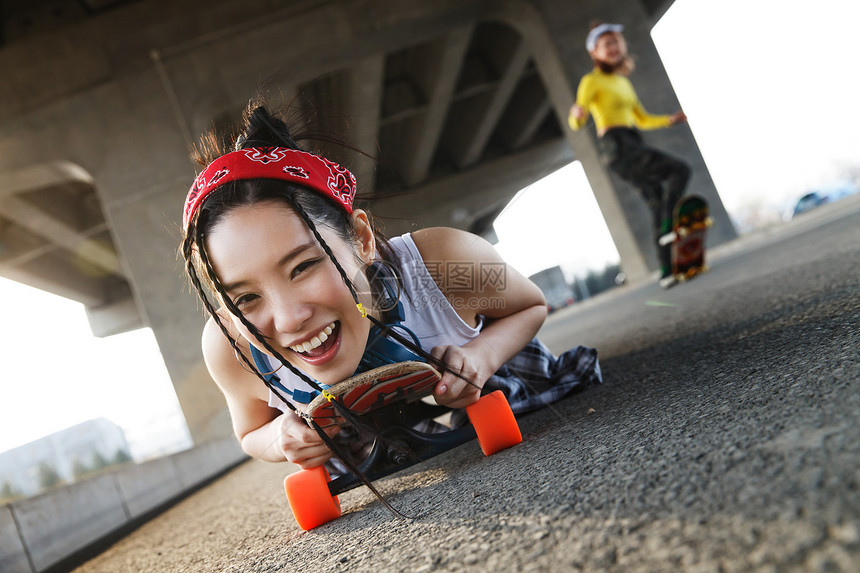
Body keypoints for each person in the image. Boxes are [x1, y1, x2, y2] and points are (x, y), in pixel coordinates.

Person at [180, 101, 602, 481]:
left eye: (304, 266)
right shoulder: (231, 345)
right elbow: (251, 431)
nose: (290, 319)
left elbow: (529, 305)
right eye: (245, 298)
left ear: (362, 238)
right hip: (356, 435)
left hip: (479, 381)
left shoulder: (443, 265)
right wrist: (281, 437)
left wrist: (481, 357)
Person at [569, 22, 691, 288]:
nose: (614, 48)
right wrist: (576, 116)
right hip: (617, 146)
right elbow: (578, 118)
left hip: (632, 140)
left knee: (656, 201)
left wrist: (669, 120)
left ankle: (666, 271)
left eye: (616, 42)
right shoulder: (591, 81)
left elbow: (642, 119)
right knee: (680, 170)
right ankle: (672, 223)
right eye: (606, 44)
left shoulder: (623, 82)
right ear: (595, 52)